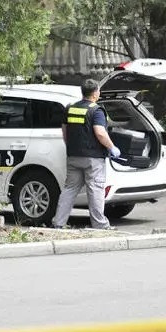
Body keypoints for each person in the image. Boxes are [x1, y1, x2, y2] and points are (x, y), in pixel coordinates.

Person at [52, 79, 121, 229]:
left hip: (73, 156)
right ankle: (100, 225)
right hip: (93, 158)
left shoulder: (70, 108)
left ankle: (59, 222)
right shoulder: (96, 110)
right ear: (95, 93)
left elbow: (65, 132)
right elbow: (100, 133)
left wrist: (70, 147)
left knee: (69, 189)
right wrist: (112, 147)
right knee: (95, 189)